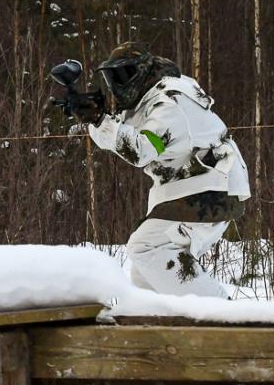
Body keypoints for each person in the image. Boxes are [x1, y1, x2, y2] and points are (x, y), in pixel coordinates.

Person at [75, 42, 251, 297]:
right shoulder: (149, 100)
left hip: (213, 188)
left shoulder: (170, 102)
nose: (118, 84)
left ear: (144, 71)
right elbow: (119, 137)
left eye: (125, 74)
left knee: (148, 247)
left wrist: (100, 120)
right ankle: (160, 317)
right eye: (114, 77)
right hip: (195, 188)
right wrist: (96, 119)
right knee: (145, 270)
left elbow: (141, 149)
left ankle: (221, 314)